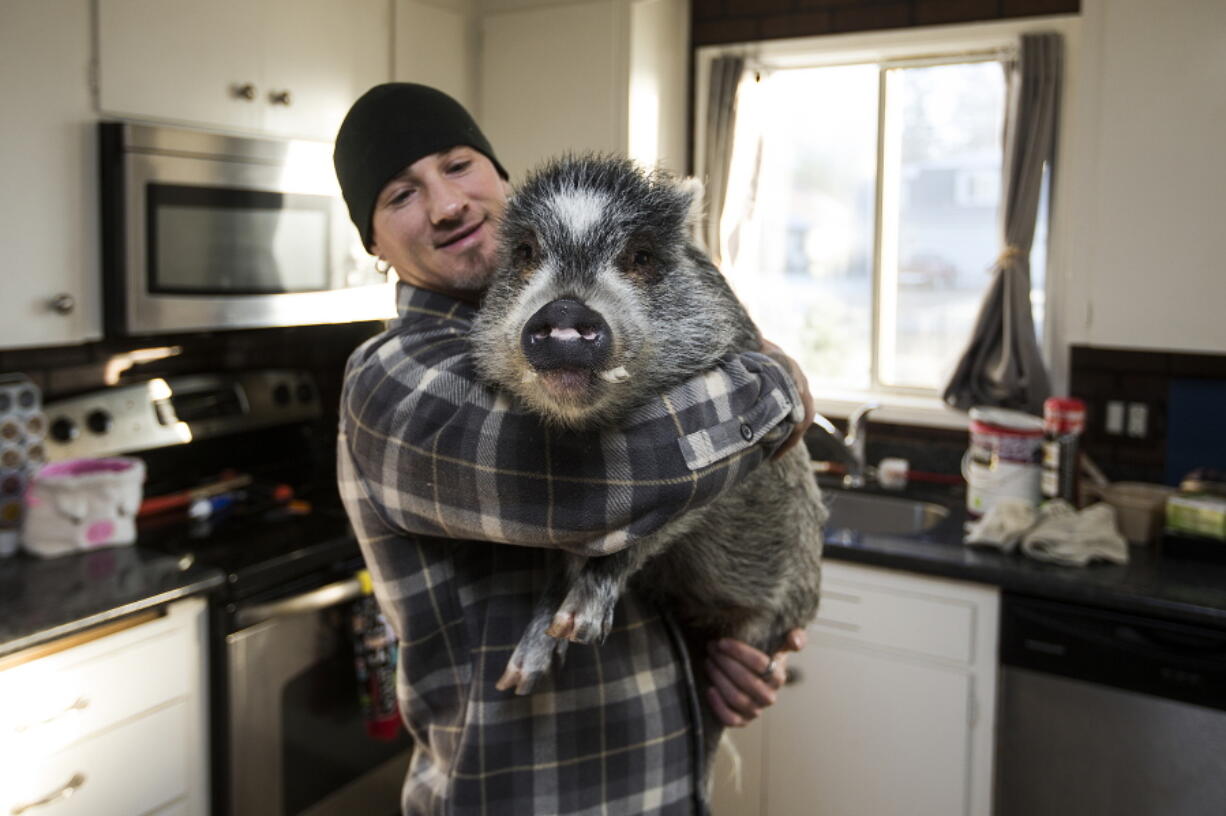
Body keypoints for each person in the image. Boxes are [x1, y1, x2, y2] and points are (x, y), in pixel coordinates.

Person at [333, 82, 814, 816]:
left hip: (665, 784)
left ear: (502, 177)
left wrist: (731, 646)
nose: (447, 205)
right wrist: (774, 382)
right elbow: (600, 493)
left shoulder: (619, 325)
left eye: (458, 165)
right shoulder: (392, 377)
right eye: (401, 194)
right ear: (373, 242)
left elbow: (714, 509)